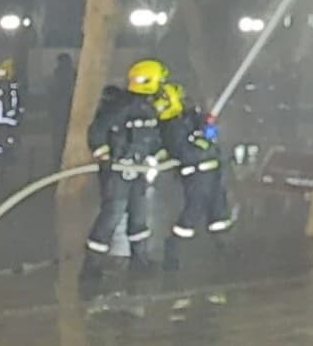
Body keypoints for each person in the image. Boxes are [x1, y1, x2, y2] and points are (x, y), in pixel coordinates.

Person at [83, 59, 167, 271]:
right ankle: (91, 265)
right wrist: (104, 155)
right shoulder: (120, 106)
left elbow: (152, 137)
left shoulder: (148, 108)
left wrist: (157, 156)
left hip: (138, 171)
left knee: (139, 214)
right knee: (112, 214)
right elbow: (97, 131)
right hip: (117, 173)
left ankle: (140, 260)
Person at [152, 82, 233, 270]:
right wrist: (201, 142)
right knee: (193, 211)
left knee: (219, 209)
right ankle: (173, 249)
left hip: (213, 172)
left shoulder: (191, 117)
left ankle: (224, 248)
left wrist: (209, 128)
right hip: (196, 175)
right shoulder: (171, 127)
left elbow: (211, 136)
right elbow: (184, 152)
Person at [0, 59, 23, 159]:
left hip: (8, 118)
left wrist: (12, 112)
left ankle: (8, 155)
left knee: (8, 138)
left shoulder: (12, 87)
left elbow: (14, 101)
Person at [47, 52, 76, 170]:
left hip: (61, 110)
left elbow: (54, 93)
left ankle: (58, 162)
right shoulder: (73, 74)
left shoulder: (59, 74)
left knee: (59, 138)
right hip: (66, 110)